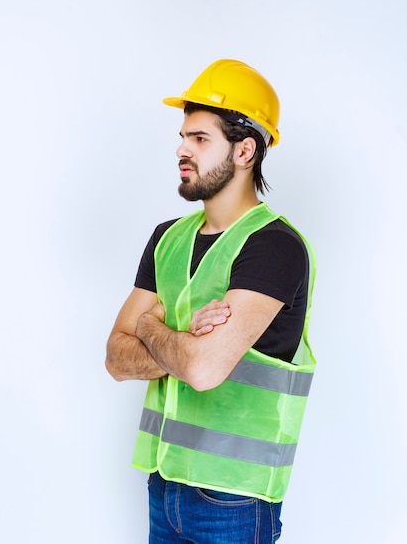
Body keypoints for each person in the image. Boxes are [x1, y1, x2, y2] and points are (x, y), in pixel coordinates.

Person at [105, 59, 316, 544]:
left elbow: (203, 371)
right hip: (163, 484)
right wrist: (185, 341)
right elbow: (116, 359)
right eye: (183, 136)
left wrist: (152, 328)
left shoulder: (273, 247)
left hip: (235, 501)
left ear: (245, 151)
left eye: (200, 139)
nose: (182, 149)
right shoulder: (168, 239)